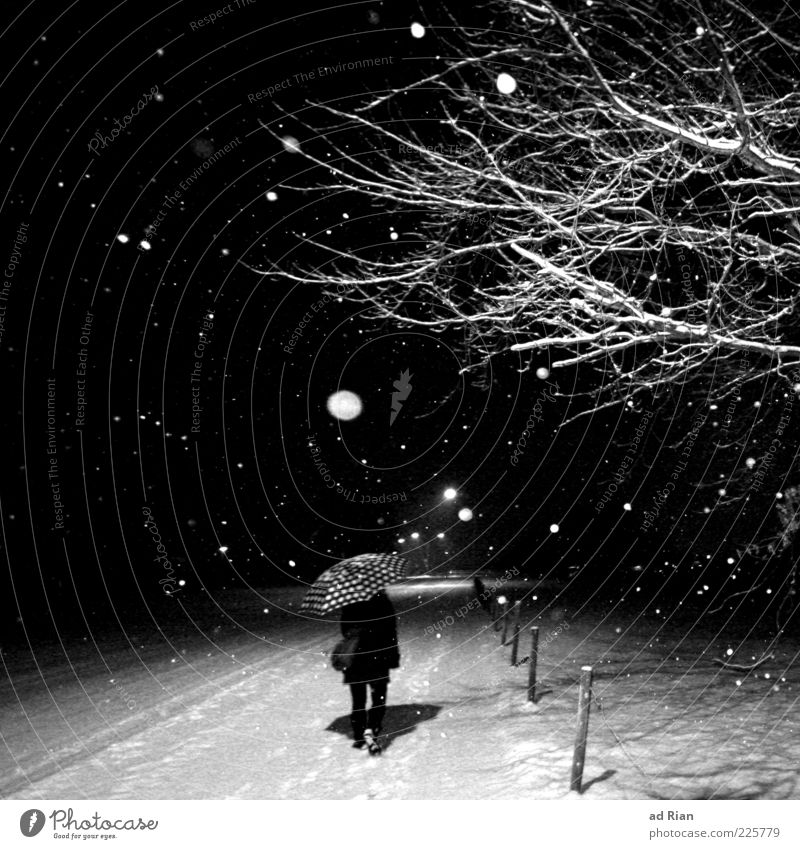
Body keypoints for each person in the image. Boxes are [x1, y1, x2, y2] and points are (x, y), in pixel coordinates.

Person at [339, 590, 400, 752]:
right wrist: (393, 656)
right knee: (378, 696)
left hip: (357, 658)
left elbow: (345, 631)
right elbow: (391, 631)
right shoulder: (382, 601)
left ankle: (359, 734)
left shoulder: (349, 600)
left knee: (358, 699)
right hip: (378, 656)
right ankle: (373, 727)